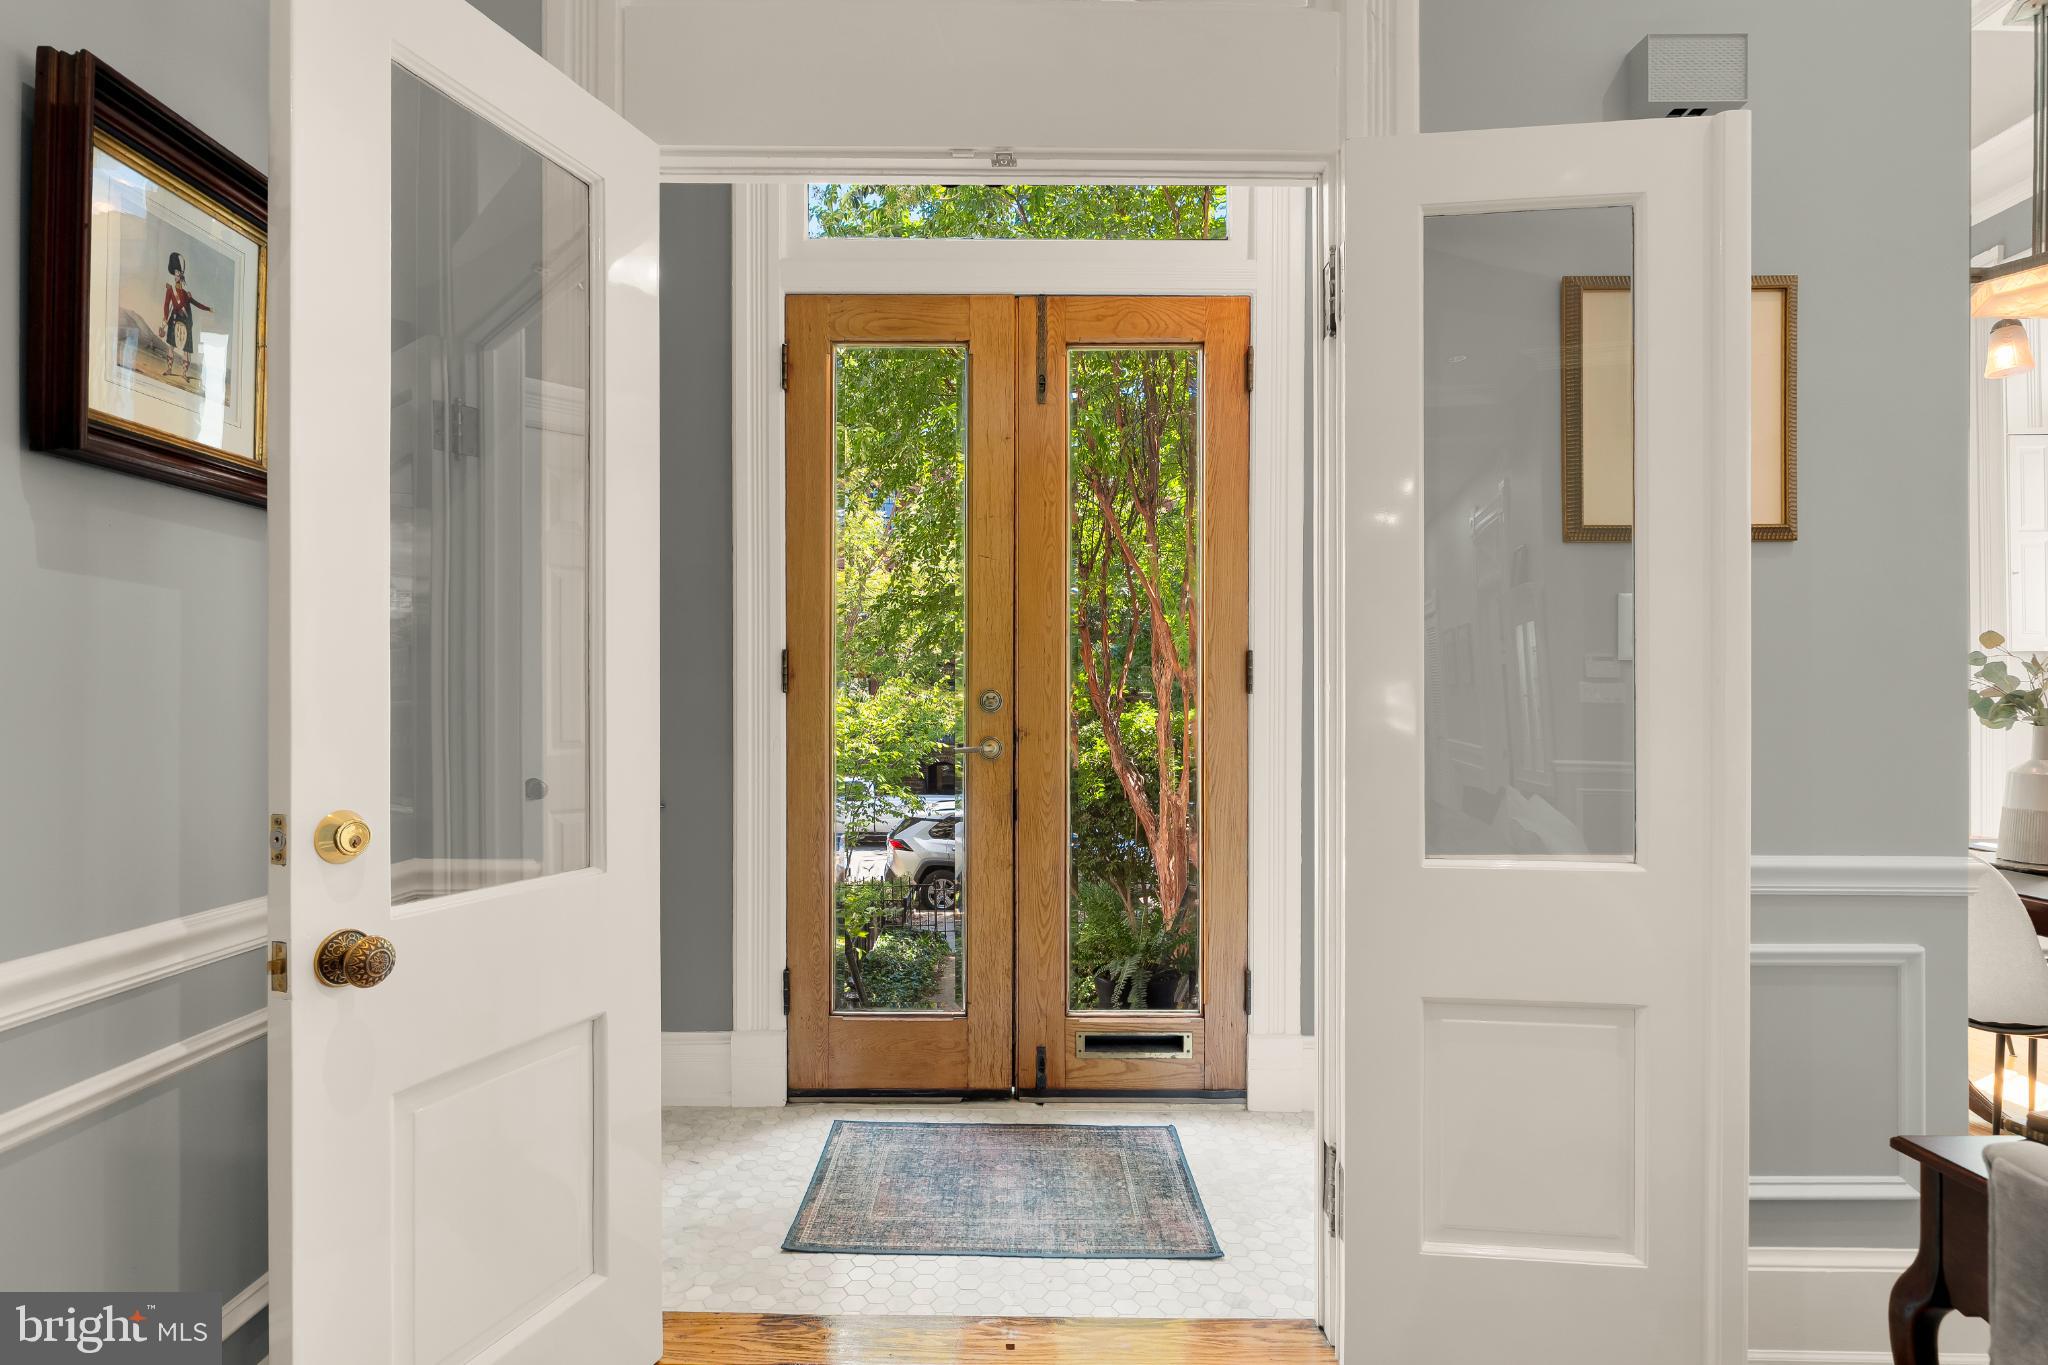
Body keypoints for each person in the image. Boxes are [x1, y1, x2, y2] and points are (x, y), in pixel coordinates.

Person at [159, 251, 212, 382]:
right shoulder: (170, 290)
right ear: (174, 274)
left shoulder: (186, 294)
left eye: (179, 273)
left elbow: (195, 303)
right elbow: (166, 305)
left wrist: (208, 308)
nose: (178, 275)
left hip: (186, 321)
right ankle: (169, 369)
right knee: (171, 346)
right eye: (176, 272)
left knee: (186, 351)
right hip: (174, 319)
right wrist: (165, 318)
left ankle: (184, 374)